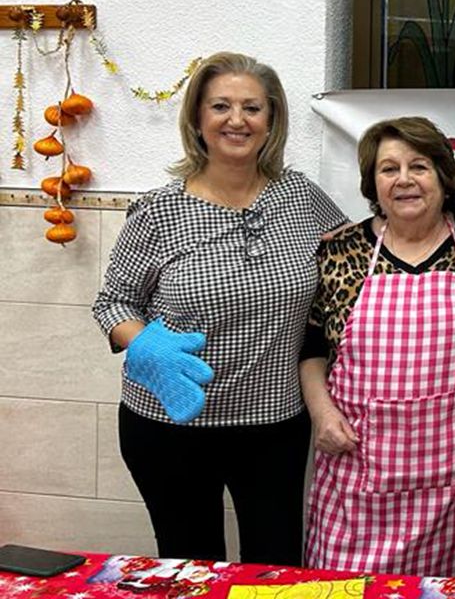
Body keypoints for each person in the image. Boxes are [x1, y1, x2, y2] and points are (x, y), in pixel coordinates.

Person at [92, 52, 348, 565]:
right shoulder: (160, 210)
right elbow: (113, 301)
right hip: (169, 427)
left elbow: (352, 266)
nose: (237, 120)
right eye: (221, 106)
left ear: (271, 121)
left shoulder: (300, 197)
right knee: (191, 567)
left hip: (274, 425)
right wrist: (144, 343)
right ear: (197, 120)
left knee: (274, 569)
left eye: (252, 108)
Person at [301, 117, 455, 576]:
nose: (405, 180)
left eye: (419, 166)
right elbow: (312, 347)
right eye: (388, 169)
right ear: (373, 183)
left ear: (442, 176)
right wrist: (323, 414)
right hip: (356, 476)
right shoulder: (342, 252)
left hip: (451, 485)